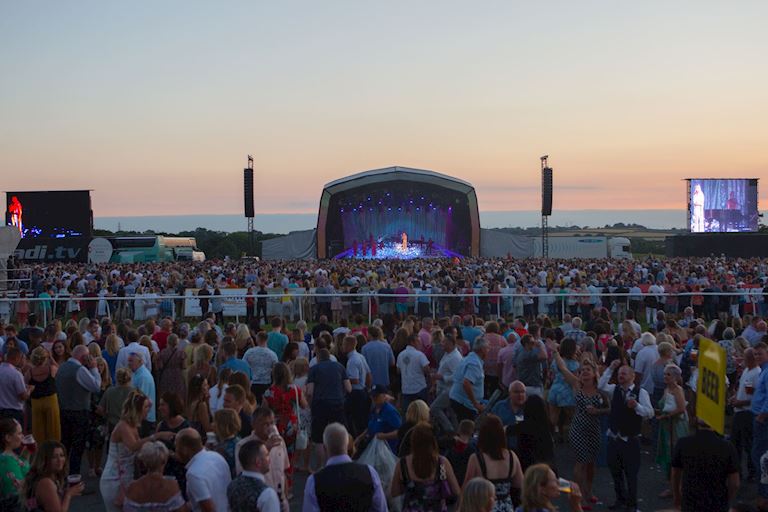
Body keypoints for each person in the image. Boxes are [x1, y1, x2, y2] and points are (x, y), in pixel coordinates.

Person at [100, 390, 175, 511]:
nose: (148, 410)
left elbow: (139, 452)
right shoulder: (123, 426)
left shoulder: (133, 426)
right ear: (137, 409)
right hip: (114, 478)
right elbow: (133, 446)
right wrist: (157, 436)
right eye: (145, 407)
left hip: (127, 476)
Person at [598, 360, 655, 511]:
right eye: (619, 373)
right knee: (615, 473)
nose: (620, 375)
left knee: (631, 475)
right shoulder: (614, 389)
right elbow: (600, 385)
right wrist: (610, 368)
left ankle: (632, 504)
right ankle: (620, 500)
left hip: (630, 440)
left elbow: (650, 413)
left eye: (624, 373)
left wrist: (637, 406)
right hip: (614, 439)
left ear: (632, 376)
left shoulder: (640, 392)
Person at [390, 422, 461, 511]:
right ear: (432, 441)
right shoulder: (442, 462)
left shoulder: (402, 464)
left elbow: (394, 492)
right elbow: (456, 491)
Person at [671, 420, 739, 512]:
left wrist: (677, 496)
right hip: (717, 502)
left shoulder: (682, 443)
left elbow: (675, 473)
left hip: (691, 501)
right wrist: (726, 499)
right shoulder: (727, 447)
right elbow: (734, 483)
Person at [55, 344, 101, 475]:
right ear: (84, 357)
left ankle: (61, 475)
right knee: (77, 447)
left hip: (64, 409)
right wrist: (94, 369)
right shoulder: (80, 370)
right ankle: (74, 477)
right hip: (79, 411)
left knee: (65, 444)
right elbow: (96, 386)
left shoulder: (62, 367)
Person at [463, 415, 524, 512]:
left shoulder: (477, 459)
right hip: (507, 506)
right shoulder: (512, 456)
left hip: (484, 506)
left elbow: (467, 489)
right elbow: (519, 484)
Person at [234, 406, 290, 508]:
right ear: (254, 425)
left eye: (272, 423)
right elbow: (242, 474)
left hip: (280, 501)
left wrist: (285, 497)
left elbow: (284, 472)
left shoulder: (279, 441)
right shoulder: (243, 446)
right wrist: (265, 448)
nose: (270, 427)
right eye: (265, 424)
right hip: (259, 502)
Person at [306, 348, 351, 469]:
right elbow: (349, 388)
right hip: (337, 403)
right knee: (341, 432)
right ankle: (341, 463)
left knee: (319, 438)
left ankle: (322, 466)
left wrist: (310, 405)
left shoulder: (314, 369)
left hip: (320, 404)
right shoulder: (339, 367)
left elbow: (310, 392)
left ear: (318, 358)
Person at [176, 427, 231, 512]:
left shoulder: (193, 474)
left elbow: (208, 509)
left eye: (176, 447)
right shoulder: (217, 456)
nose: (176, 451)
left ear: (185, 449)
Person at [655, 364, 688, 499]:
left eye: (668, 374)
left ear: (675, 377)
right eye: (665, 374)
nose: (665, 377)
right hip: (666, 426)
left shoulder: (677, 390)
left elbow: (681, 409)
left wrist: (666, 416)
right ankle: (672, 484)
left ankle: (677, 487)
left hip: (676, 426)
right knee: (668, 455)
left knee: (675, 455)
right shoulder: (666, 389)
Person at [123, 441, 187, 512]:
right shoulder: (171, 486)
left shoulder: (133, 487)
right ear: (164, 461)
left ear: (144, 462)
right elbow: (181, 510)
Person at [22, 440, 85, 512]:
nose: (60, 460)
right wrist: (68, 495)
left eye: (62, 455)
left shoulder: (51, 477)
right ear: (45, 459)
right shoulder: (46, 483)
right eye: (54, 457)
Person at [730, 347, 761, 481]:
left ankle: (752, 472)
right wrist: (734, 397)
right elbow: (743, 388)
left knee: (748, 444)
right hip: (739, 411)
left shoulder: (757, 373)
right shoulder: (747, 371)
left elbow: (754, 397)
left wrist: (740, 403)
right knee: (735, 442)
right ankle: (738, 471)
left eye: (744, 357)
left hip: (746, 413)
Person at [228, 438, 281, 512]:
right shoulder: (267, 494)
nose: (269, 459)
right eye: (267, 455)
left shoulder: (232, 485)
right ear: (258, 462)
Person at [26, 346, 61, 443]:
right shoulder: (51, 369)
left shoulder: (29, 373)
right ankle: (53, 450)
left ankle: (40, 452)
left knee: (38, 431)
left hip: (36, 402)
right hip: (50, 400)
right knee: (53, 430)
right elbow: (59, 368)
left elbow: (26, 385)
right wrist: (51, 358)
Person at [450, 336, 488, 422]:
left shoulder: (469, 358)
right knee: (467, 429)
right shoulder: (474, 363)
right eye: (487, 349)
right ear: (482, 349)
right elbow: (466, 383)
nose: (488, 351)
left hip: (458, 399)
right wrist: (475, 404)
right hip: (464, 403)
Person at [516, 463, 583, 512]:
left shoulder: (520, 510)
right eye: (554, 480)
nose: (558, 482)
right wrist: (576, 506)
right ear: (542, 489)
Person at [430, 334, 463, 434]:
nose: (442, 344)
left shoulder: (455, 358)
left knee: (434, 408)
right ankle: (456, 431)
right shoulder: (447, 354)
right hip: (444, 388)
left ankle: (449, 429)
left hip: (450, 390)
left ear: (451, 344)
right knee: (452, 412)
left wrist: (442, 377)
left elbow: (458, 376)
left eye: (444, 342)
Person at [547, 338, 579, 441]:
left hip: (555, 389)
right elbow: (574, 381)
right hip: (567, 391)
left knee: (553, 417)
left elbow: (551, 375)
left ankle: (552, 436)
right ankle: (574, 436)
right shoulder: (574, 364)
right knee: (573, 416)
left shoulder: (556, 361)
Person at [355, 384, 402, 453]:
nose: (374, 398)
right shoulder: (374, 410)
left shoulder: (390, 411)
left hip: (388, 450)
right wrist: (359, 438)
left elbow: (399, 432)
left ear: (384, 396)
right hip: (375, 448)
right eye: (372, 396)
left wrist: (384, 436)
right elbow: (371, 427)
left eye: (376, 396)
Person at [342, 335, 372, 437]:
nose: (342, 346)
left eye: (343, 344)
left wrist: (342, 379)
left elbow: (355, 379)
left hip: (356, 393)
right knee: (362, 419)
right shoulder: (360, 356)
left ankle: (356, 440)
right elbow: (368, 374)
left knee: (354, 419)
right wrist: (368, 388)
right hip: (362, 391)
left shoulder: (352, 361)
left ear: (349, 345)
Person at [0, 418, 31, 509]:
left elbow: (21, 467)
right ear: (8, 438)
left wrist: (27, 453)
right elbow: (19, 491)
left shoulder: (11, 455)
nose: (23, 436)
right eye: (19, 433)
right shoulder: (6, 461)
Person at [397, 333, 431, 413]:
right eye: (418, 342)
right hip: (419, 387)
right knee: (422, 412)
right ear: (412, 342)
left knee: (408, 413)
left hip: (406, 388)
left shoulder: (401, 355)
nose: (420, 344)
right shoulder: (419, 355)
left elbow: (398, 370)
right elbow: (427, 369)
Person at [243, 331, 278, 402]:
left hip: (253, 383)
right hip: (266, 383)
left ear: (257, 339)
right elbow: (276, 369)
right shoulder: (272, 354)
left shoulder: (249, 352)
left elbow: (244, 365)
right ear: (267, 340)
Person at [0, 347, 33, 424]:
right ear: (17, 358)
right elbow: (23, 396)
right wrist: (29, 389)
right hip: (13, 412)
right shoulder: (15, 374)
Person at [491, 381, 527, 449]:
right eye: (516, 392)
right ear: (509, 393)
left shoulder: (529, 408)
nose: (520, 395)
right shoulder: (499, 406)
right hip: (502, 447)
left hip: (523, 449)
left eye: (522, 392)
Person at [129, 352, 157, 435]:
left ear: (140, 361)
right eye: (129, 361)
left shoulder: (143, 377)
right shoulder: (137, 373)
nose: (129, 363)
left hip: (145, 419)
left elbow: (140, 400)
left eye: (131, 361)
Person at [157, 333, 187, 402]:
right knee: (178, 395)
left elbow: (160, 366)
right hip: (178, 375)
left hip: (166, 375)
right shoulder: (181, 353)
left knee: (166, 396)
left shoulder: (162, 352)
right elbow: (184, 366)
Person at [213, 408, 242, 478]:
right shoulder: (239, 440)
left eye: (215, 422)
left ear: (221, 426)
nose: (212, 425)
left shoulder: (221, 450)